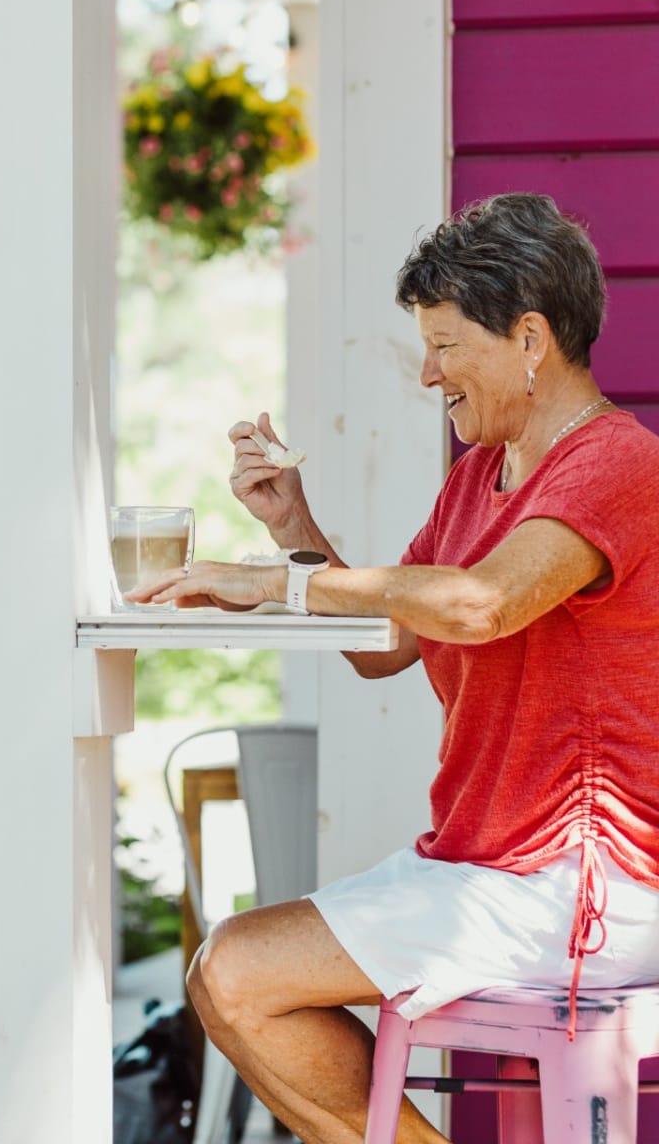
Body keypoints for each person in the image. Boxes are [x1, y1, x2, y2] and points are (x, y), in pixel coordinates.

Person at [128, 191, 659, 1143]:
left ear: (530, 338)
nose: (427, 374)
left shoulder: (614, 463)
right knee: (230, 970)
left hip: (580, 882)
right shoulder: (476, 477)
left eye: (446, 345)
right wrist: (293, 532)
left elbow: (482, 603)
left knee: (238, 971)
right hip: (488, 869)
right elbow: (390, 643)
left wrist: (271, 587)